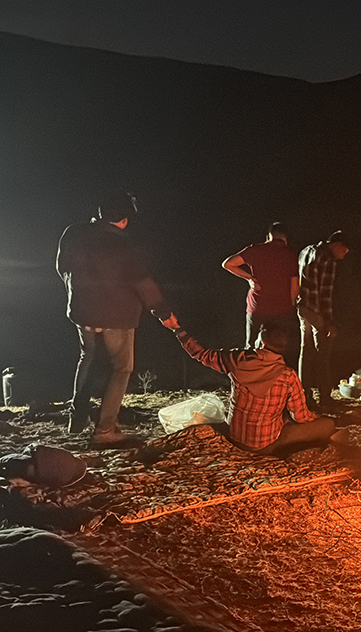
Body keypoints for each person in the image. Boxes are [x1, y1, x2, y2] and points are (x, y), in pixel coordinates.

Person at [56, 190, 175, 443]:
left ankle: (77, 419)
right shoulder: (124, 246)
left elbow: (62, 267)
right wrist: (164, 314)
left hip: (82, 313)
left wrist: (78, 293)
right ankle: (105, 430)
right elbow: (142, 282)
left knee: (87, 358)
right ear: (124, 219)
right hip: (117, 317)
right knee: (121, 368)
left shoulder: (73, 233)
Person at [165, 319, 337, 455]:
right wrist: (318, 421)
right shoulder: (288, 376)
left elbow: (202, 354)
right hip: (266, 445)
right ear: (284, 348)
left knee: (283, 418)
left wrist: (178, 330)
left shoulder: (237, 360)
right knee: (327, 425)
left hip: (236, 437)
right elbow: (301, 417)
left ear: (261, 342)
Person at [222, 222, 300, 364]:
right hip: (282, 310)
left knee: (251, 348)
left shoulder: (255, 250)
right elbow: (295, 287)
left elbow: (228, 264)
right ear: (285, 238)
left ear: (268, 236)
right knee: (278, 349)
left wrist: (249, 278)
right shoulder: (290, 255)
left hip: (257, 308)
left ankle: (249, 372)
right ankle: (276, 375)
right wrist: (293, 308)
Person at [297, 230, 350, 408]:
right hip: (316, 311)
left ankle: (305, 396)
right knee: (323, 353)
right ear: (336, 245)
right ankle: (325, 397)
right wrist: (328, 323)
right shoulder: (328, 261)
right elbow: (324, 294)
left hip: (303, 307)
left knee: (306, 352)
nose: (346, 252)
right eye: (345, 248)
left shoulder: (306, 251)